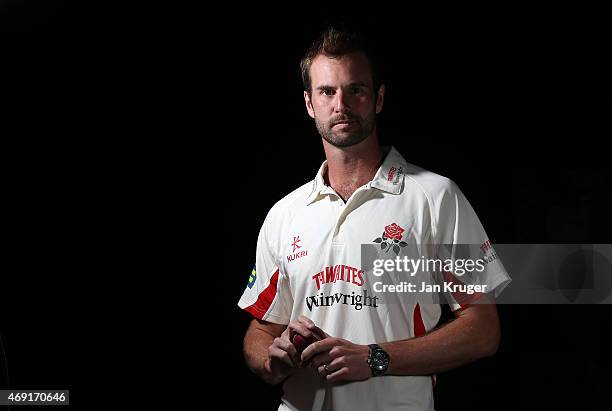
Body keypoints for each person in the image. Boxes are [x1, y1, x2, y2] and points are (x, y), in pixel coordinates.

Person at [238, 27, 511, 411]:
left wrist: (375, 358)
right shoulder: (285, 214)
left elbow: (483, 330)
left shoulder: (435, 197)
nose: (341, 104)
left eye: (356, 90)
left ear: (378, 98)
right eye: (327, 92)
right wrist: (272, 356)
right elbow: (262, 328)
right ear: (308, 103)